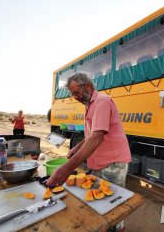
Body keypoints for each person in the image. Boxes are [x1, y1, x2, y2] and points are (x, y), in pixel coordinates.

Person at [46, 72, 131, 232]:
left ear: (88, 87)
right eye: (72, 94)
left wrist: (68, 168)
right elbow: (92, 134)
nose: (75, 97)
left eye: (76, 93)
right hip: (100, 163)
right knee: (101, 205)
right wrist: (76, 148)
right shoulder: (90, 105)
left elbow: (97, 136)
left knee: (114, 209)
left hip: (112, 164)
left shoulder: (102, 102)